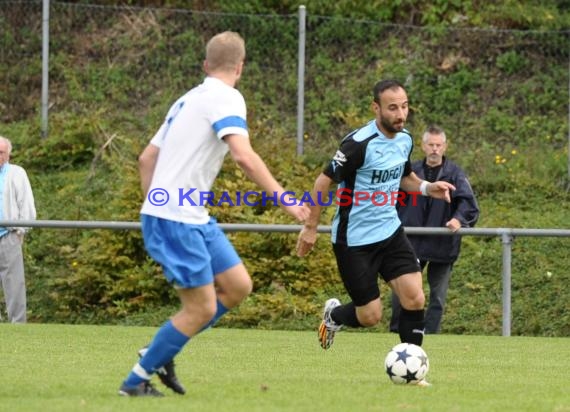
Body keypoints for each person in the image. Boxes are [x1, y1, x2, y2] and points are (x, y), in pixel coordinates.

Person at [118, 31, 309, 397]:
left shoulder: (187, 99)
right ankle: (136, 380)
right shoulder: (228, 98)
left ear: (206, 65)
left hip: (189, 215)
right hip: (178, 218)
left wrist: (155, 202)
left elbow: (147, 159)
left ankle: (160, 350)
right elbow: (243, 155)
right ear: (240, 67)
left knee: (238, 286)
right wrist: (285, 199)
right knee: (202, 307)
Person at [296, 80, 455, 385]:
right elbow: (322, 182)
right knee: (370, 316)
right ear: (376, 108)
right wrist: (311, 227)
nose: (400, 113)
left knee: (414, 297)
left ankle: (413, 376)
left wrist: (426, 187)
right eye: (393, 107)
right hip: (354, 241)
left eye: (405, 106)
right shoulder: (357, 144)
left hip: (390, 232)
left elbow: (404, 177)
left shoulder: (405, 140)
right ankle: (334, 317)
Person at [390, 125, 479, 334]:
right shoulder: (410, 172)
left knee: (437, 296)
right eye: (431, 144)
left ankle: (431, 336)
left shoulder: (455, 174)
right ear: (423, 146)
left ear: (445, 147)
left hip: (442, 244)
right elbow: (390, 200)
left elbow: (468, 204)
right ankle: (398, 332)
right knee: (402, 293)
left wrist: (458, 220)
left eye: (439, 145)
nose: (435, 149)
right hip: (410, 243)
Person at [0, 136, 36, 323]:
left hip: (9, 234)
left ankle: (18, 326)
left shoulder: (17, 173)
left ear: (8, 154)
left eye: (1, 152)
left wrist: (21, 231)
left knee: (14, 284)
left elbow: (26, 204)